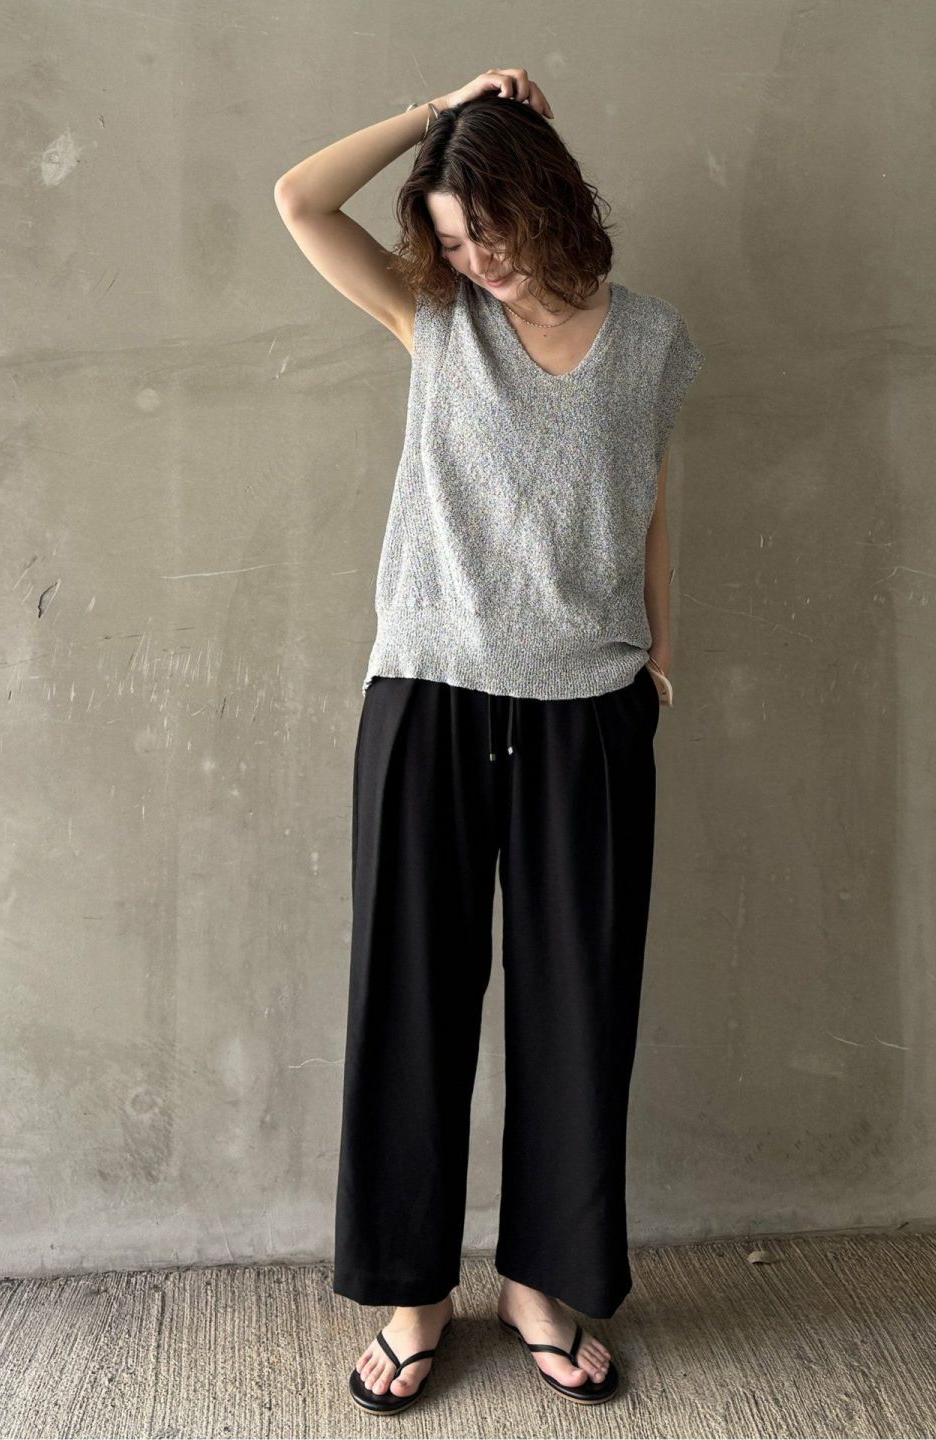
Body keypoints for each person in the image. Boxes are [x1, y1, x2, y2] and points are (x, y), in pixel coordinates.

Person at [274, 67, 705, 1415]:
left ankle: (540, 1281)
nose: (475, 260)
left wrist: (662, 655)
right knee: (410, 1002)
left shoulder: (653, 341)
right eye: (455, 240)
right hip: (430, 695)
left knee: (580, 1010)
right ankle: (414, 1294)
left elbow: (650, 500)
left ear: (549, 199)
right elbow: (299, 201)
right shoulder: (437, 318)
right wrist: (436, 116)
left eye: (489, 229)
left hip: (590, 710)